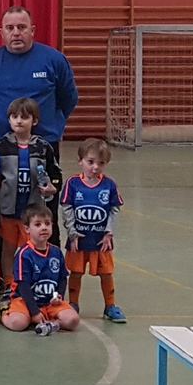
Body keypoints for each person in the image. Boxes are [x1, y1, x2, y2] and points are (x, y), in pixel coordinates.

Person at [0, 5, 78, 146]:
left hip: (45, 142)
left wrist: (52, 122)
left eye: (22, 27)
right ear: (2, 33)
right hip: (1, 142)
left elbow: (68, 98)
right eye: (10, 28)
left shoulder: (55, 60)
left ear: (32, 31)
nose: (16, 33)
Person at [0, 97, 61, 277]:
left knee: (30, 248)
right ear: (9, 120)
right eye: (14, 117)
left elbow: (55, 174)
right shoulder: (1, 146)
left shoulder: (43, 147)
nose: (19, 121)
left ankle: (31, 281)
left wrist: (53, 187)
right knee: (8, 248)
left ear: (34, 121)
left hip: (33, 210)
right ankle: (9, 284)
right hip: (8, 209)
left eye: (24, 117)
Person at [63, 138, 126, 322]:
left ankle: (110, 306)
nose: (95, 167)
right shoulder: (73, 184)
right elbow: (67, 209)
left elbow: (114, 210)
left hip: (101, 241)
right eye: (90, 162)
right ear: (80, 161)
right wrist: (72, 233)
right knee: (76, 272)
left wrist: (109, 232)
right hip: (79, 239)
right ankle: (73, 303)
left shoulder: (109, 185)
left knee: (106, 273)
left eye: (101, 163)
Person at [2, 207, 78, 335]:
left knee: (73, 320)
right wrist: (35, 312)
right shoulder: (24, 254)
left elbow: (62, 278)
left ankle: (52, 324)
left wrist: (58, 296)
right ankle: (5, 311)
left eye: (47, 224)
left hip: (49, 302)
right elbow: (23, 286)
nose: (44, 228)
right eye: (38, 224)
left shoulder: (56, 252)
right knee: (18, 323)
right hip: (25, 300)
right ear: (27, 229)